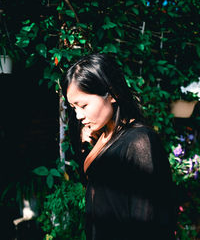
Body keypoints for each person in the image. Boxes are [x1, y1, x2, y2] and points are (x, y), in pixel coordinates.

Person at [61, 53, 177, 239]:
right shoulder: (104, 136)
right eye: (73, 107)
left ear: (112, 94)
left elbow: (147, 223)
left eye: (83, 105)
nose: (78, 116)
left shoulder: (139, 141)